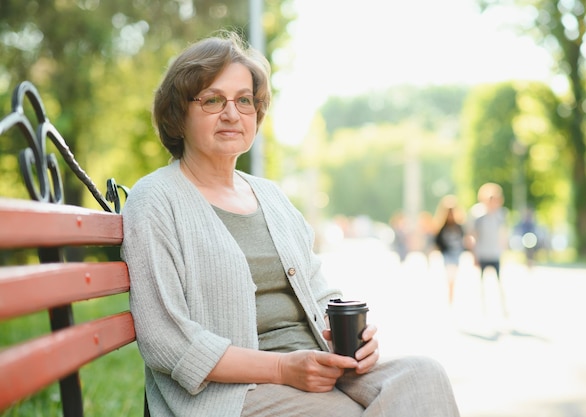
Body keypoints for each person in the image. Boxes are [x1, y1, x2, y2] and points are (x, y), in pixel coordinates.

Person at [121, 31, 460, 417]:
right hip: (231, 390)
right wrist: (283, 368)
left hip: (314, 366)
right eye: (213, 99)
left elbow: (319, 294)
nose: (232, 113)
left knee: (423, 377)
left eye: (244, 100)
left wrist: (351, 340)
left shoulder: (272, 198)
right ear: (178, 114)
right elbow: (166, 341)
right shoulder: (156, 200)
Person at [467, 182, 509, 316]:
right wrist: (473, 254)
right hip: (482, 253)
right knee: (481, 282)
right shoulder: (478, 214)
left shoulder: (501, 214)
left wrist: (504, 249)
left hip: (495, 253)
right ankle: (482, 308)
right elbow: (472, 235)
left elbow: (503, 234)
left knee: (499, 281)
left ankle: (503, 309)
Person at [433, 195, 467, 305]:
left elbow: (464, 238)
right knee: (450, 276)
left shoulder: (459, 226)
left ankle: (452, 296)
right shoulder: (442, 227)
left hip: (457, 254)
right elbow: (437, 241)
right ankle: (450, 297)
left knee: (454, 276)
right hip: (447, 254)